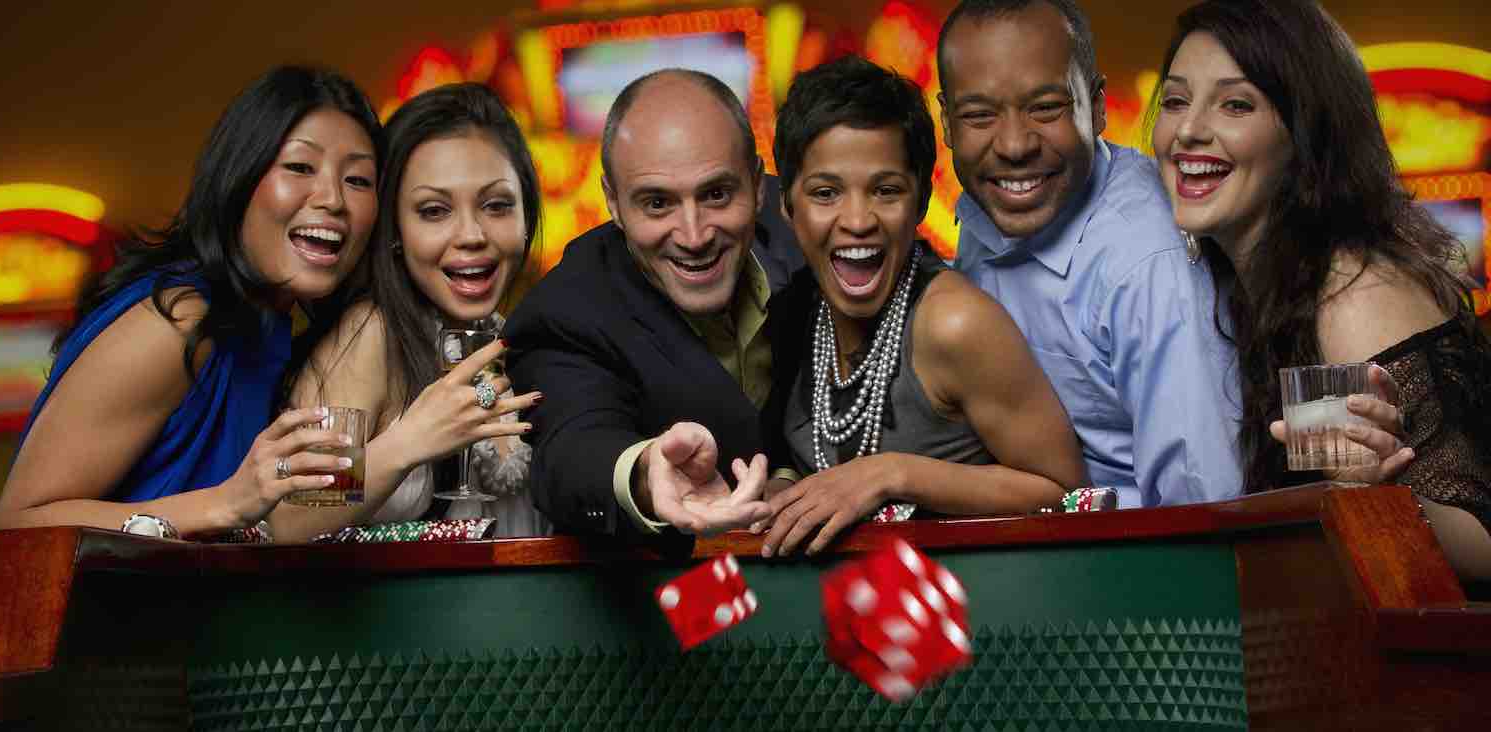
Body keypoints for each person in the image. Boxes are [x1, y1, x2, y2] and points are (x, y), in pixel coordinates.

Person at [1148, 0, 1491, 580]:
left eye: (1236, 104)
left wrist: (1382, 498)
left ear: (1304, 135)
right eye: (1176, 100)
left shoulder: (1348, 297)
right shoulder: (1253, 281)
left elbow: (1484, 545)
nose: (1187, 130)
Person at [0, 66, 383, 538]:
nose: (332, 199)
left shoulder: (277, 331)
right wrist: (225, 504)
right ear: (238, 177)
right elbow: (16, 525)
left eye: (358, 180)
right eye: (300, 167)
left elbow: (302, 525)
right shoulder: (176, 320)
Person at [759, 56, 1087, 557]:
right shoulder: (792, 311)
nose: (857, 220)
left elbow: (1060, 489)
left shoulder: (954, 324)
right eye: (826, 193)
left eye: (885, 191)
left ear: (918, 202)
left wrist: (892, 474)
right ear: (788, 206)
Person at [937, 0, 1241, 508]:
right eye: (979, 115)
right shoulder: (992, 203)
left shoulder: (1146, 262)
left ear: (1096, 107)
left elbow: (1207, 508)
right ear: (947, 121)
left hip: (1133, 561)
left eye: (1045, 108)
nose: (1013, 145)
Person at [505, 69, 807, 544]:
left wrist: (792, 476)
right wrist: (646, 475)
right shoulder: (567, 311)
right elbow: (571, 449)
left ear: (757, 182)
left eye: (716, 194)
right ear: (613, 202)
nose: (694, 235)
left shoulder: (812, 234)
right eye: (657, 204)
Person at [269, 83, 547, 542]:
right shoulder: (371, 334)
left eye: (497, 206)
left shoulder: (519, 345)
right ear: (395, 230)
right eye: (434, 211)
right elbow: (289, 522)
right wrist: (411, 440)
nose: (472, 234)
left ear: (525, 219)